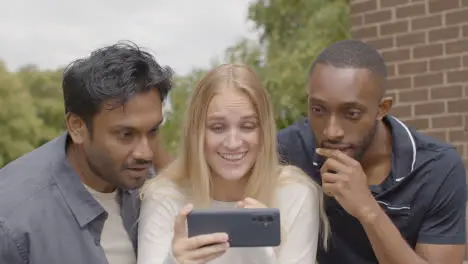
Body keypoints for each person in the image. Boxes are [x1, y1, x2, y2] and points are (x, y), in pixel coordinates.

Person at [277, 39, 467, 264]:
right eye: (318, 110)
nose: (331, 131)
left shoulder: (438, 168)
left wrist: (368, 210)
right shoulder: (288, 149)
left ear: (382, 109)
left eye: (352, 113)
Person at [0, 41, 173, 264]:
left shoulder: (148, 188)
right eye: (125, 134)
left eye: (152, 131)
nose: (146, 153)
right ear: (77, 127)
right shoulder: (12, 220)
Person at [137, 63, 329, 264]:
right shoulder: (164, 195)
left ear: (264, 132)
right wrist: (174, 261)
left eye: (247, 126)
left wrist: (260, 250)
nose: (233, 143)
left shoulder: (295, 194)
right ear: (197, 133)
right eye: (218, 128)